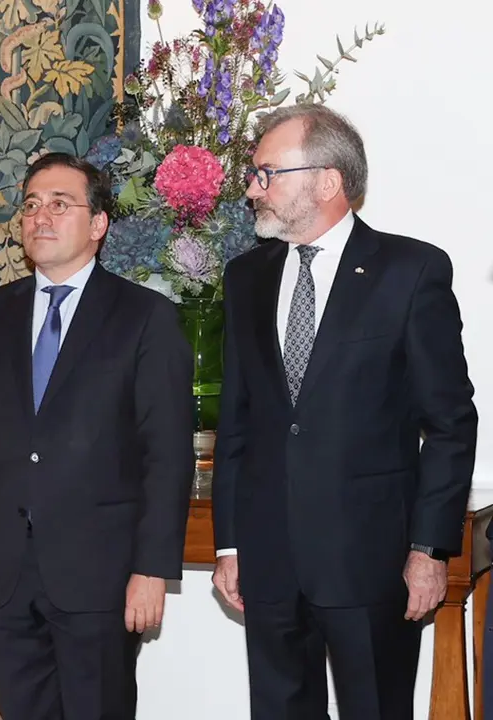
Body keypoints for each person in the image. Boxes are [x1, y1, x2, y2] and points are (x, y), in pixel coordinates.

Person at [212, 103, 477, 719]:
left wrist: (430, 550)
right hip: (269, 559)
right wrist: (230, 545)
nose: (253, 188)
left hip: (371, 563)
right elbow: (238, 420)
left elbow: (449, 423)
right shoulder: (245, 277)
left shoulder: (410, 271)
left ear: (327, 181)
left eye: (266, 173)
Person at [0, 152, 195, 719]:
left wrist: (152, 569)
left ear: (98, 225)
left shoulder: (146, 317)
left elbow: (165, 456)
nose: (40, 217)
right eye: (30, 205)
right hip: (0, 575)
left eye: (59, 204)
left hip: (100, 575)